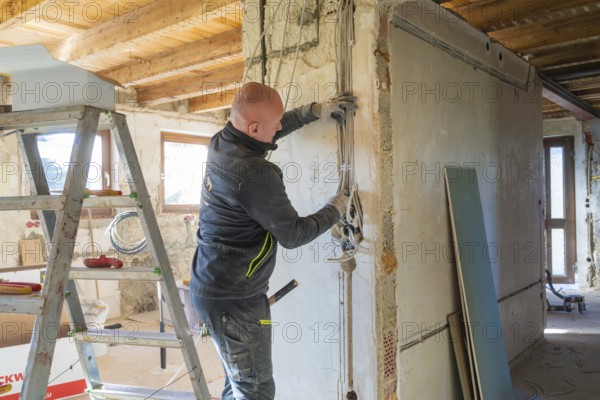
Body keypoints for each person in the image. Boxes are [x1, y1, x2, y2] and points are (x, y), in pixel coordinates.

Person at [190, 82, 357, 400]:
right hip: (235, 301)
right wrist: (336, 209)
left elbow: (265, 135)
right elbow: (293, 235)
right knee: (255, 388)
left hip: (213, 287)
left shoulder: (221, 142)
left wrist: (312, 112)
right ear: (252, 127)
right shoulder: (255, 174)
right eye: (275, 123)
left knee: (238, 382)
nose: (280, 127)